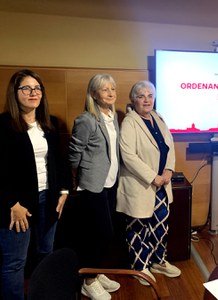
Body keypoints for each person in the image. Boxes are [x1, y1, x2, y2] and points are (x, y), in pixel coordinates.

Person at [0, 69, 69, 300]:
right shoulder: (3, 125)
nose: (33, 93)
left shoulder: (49, 123)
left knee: (46, 254)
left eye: (37, 88)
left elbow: (60, 161)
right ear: (15, 92)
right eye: (26, 88)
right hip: (17, 206)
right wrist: (11, 203)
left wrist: (63, 192)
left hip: (47, 198)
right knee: (15, 263)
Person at [117, 80, 181, 286]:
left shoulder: (157, 117)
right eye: (141, 96)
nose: (146, 100)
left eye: (150, 96)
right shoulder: (129, 122)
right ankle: (140, 267)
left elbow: (169, 145)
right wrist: (154, 177)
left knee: (160, 226)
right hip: (141, 185)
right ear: (133, 99)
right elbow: (128, 156)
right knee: (139, 228)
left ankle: (158, 262)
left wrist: (169, 170)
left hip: (162, 183)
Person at [69, 74, 120, 300]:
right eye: (104, 89)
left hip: (110, 184)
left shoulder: (112, 116)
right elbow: (74, 154)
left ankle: (95, 273)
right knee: (100, 233)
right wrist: (78, 178)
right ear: (94, 94)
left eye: (112, 89)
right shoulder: (86, 119)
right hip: (92, 185)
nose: (110, 93)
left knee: (104, 233)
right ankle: (88, 282)